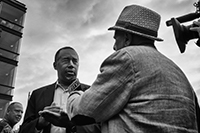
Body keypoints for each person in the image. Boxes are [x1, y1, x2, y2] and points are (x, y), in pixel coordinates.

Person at [64, 4, 199, 133]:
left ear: (127, 38)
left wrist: (74, 94)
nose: (114, 47)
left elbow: (83, 112)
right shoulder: (177, 71)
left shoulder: (126, 58)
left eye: (116, 39)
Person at [19, 46, 100, 133]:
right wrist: (39, 123)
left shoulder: (91, 92)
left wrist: (71, 124)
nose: (71, 65)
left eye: (75, 61)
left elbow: (100, 127)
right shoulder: (37, 94)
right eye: (66, 60)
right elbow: (24, 129)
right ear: (55, 65)